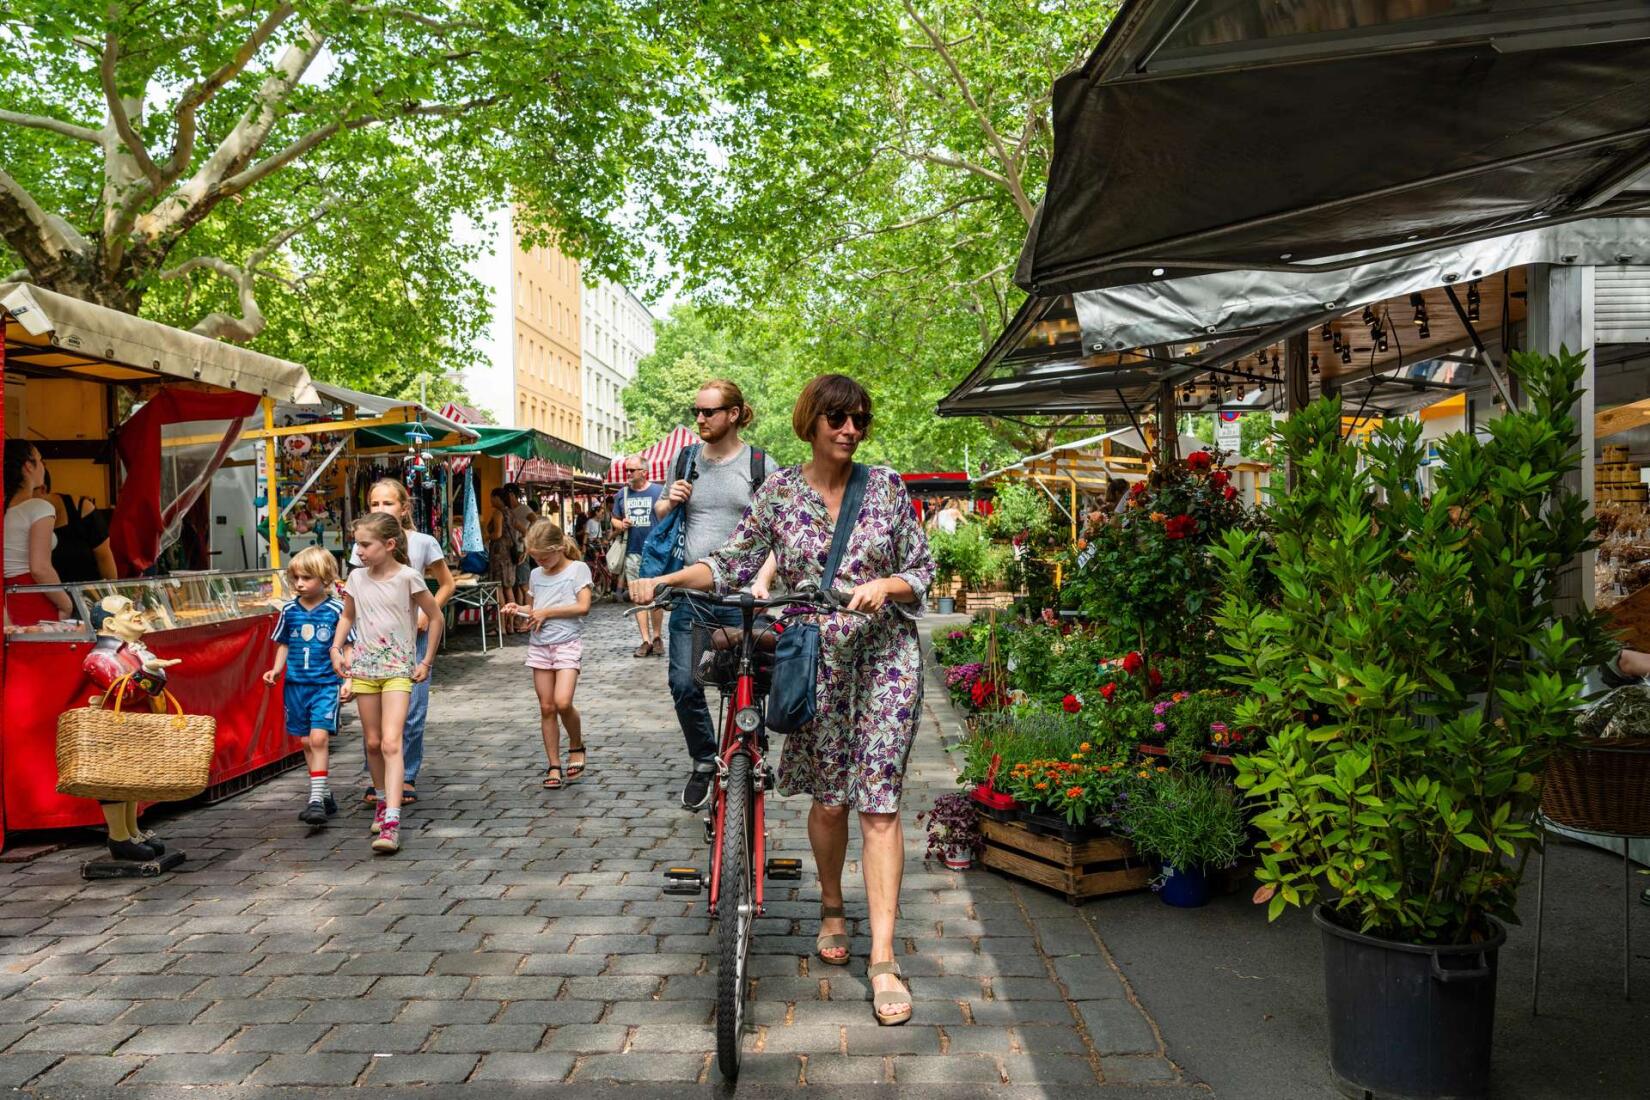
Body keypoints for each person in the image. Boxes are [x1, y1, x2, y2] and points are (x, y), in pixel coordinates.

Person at [631, 373, 934, 1027]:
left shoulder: (885, 488)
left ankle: (883, 957)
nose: (850, 430)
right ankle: (831, 903)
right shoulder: (780, 492)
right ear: (811, 423)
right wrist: (663, 579)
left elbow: (923, 567)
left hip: (885, 662)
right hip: (814, 663)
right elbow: (732, 562)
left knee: (879, 806)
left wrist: (888, 583)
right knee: (829, 801)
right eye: (837, 419)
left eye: (859, 419)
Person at [658, 379, 778, 810]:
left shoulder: (760, 464)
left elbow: (778, 535)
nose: (701, 419)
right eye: (697, 412)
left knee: (753, 682)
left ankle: (751, 753)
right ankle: (705, 760)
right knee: (685, 683)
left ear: (733, 413)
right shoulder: (686, 459)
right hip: (693, 594)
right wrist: (669, 500)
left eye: (709, 412)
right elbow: (660, 518)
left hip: (745, 597)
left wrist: (763, 581)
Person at [332, 512, 443, 855]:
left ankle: (392, 821)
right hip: (364, 670)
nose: (359, 550)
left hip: (398, 670)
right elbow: (348, 615)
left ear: (390, 544)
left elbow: (436, 617)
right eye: (357, 544)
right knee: (373, 742)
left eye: (365, 544)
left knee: (392, 742)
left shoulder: (409, 577)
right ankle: (381, 801)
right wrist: (336, 648)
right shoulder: (355, 579)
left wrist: (426, 661)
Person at [351, 479, 455, 805]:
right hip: (377, 642)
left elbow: (446, 583)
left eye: (388, 503)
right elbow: (358, 592)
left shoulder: (423, 542)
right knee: (375, 717)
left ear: (404, 508)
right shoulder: (365, 545)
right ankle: (380, 779)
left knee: (413, 709)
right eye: (375, 504)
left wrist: (428, 612)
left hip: (415, 638)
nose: (381, 509)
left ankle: (407, 774)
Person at [262, 547, 351, 825]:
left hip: (325, 684)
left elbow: (348, 645)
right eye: (296, 578)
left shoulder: (337, 609)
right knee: (304, 740)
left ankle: (314, 802)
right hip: (295, 685)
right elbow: (284, 644)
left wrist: (348, 678)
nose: (299, 583)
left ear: (325, 578)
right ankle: (324, 794)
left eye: (307, 578)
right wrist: (277, 670)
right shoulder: (289, 610)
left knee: (319, 738)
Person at [502, 520, 592, 791]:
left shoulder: (578, 569)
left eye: (543, 556)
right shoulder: (536, 575)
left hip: (566, 644)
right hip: (540, 646)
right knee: (546, 707)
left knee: (563, 702)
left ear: (558, 548)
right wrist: (518, 609)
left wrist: (546, 613)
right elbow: (534, 610)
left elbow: (583, 607)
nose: (540, 562)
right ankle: (553, 764)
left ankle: (576, 745)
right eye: (535, 558)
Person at [4, 440, 73, 625]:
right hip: (34, 598)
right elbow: (40, 568)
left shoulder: (6, 510)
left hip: (8, 601)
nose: (43, 466)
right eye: (41, 460)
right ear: (28, 466)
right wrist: (66, 604)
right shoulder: (39, 507)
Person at [611, 457, 664, 655]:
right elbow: (613, 520)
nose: (629, 474)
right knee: (638, 598)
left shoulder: (658, 492)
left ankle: (658, 636)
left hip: (655, 552)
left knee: (656, 595)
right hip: (632, 552)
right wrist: (620, 524)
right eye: (627, 470)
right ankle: (645, 640)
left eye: (633, 470)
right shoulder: (622, 494)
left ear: (644, 471)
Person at [35, 471, 116, 582]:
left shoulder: (82, 509)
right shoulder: (21, 519)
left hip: (88, 592)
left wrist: (112, 595)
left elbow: (104, 558)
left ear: (42, 489)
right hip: (47, 594)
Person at [485, 487, 523, 634]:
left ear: (496, 498)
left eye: (491, 497)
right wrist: (521, 544)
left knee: (499, 589)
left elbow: (497, 533)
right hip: (510, 555)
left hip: (499, 555)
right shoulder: (511, 513)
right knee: (509, 589)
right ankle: (511, 626)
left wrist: (485, 538)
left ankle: (501, 627)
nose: (490, 501)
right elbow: (525, 531)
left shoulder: (498, 513)